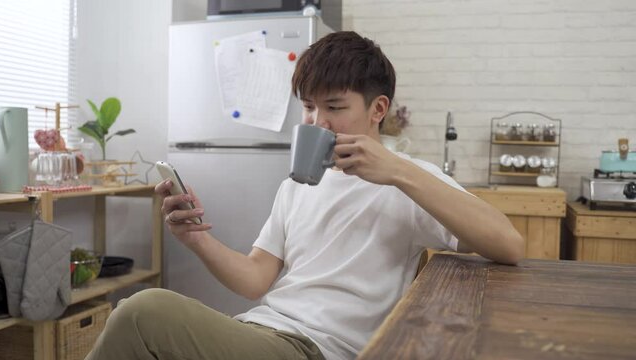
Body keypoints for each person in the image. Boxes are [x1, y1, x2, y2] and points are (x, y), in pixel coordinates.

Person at [86, 31, 524, 360]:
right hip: (263, 330)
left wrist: (397, 171)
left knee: (141, 311)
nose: (318, 121)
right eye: (309, 107)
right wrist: (197, 239)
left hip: (320, 350)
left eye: (334, 107)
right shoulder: (297, 183)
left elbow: (509, 245)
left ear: (378, 110)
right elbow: (257, 278)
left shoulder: (408, 181)